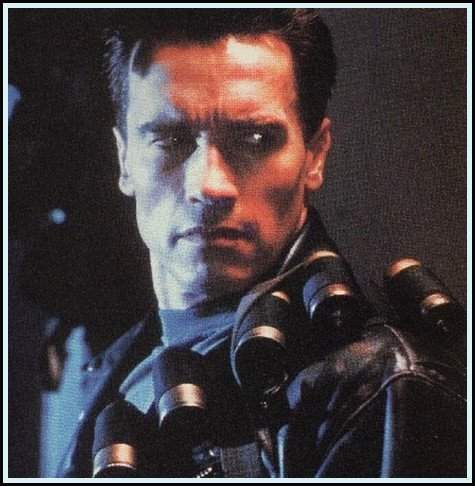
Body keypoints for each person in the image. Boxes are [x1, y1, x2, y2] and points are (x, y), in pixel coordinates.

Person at [56, 9, 466, 478]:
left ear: (315, 155)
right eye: (170, 140)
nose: (209, 185)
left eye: (254, 138)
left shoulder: (381, 385)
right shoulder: (119, 371)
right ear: (124, 159)